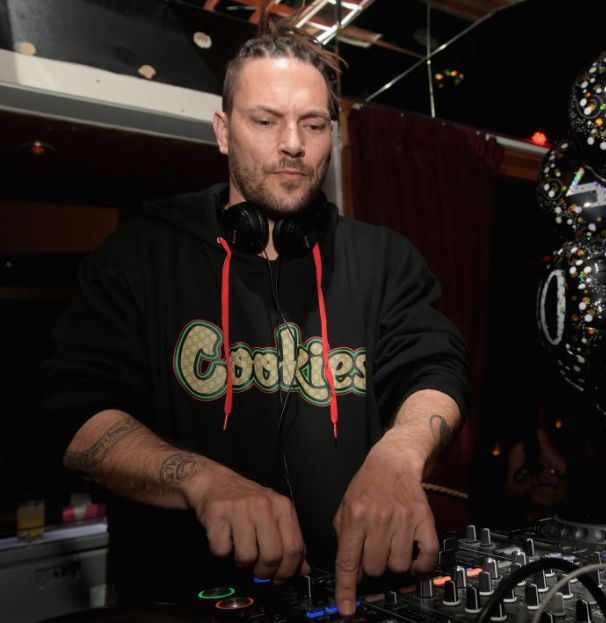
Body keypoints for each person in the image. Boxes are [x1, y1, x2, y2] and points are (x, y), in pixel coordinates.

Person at [39, 12, 468, 617]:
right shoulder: (139, 256)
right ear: (223, 131)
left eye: (312, 124)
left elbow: (436, 369)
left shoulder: (383, 259)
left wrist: (399, 456)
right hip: (182, 598)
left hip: (359, 600)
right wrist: (201, 480)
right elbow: (74, 413)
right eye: (265, 121)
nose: (292, 143)